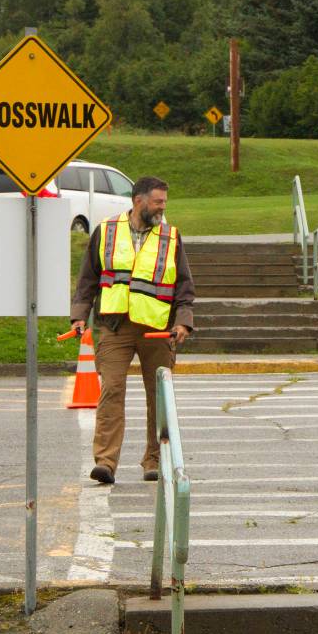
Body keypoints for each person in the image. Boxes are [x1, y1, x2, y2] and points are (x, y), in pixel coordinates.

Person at [70, 177, 195, 484]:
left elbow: (184, 286)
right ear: (139, 201)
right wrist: (78, 315)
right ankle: (106, 462)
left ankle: (154, 461)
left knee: (158, 398)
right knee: (111, 390)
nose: (162, 207)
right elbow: (88, 278)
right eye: (158, 201)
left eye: (164, 202)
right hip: (115, 326)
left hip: (157, 329)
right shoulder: (107, 230)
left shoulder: (171, 237)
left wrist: (183, 321)